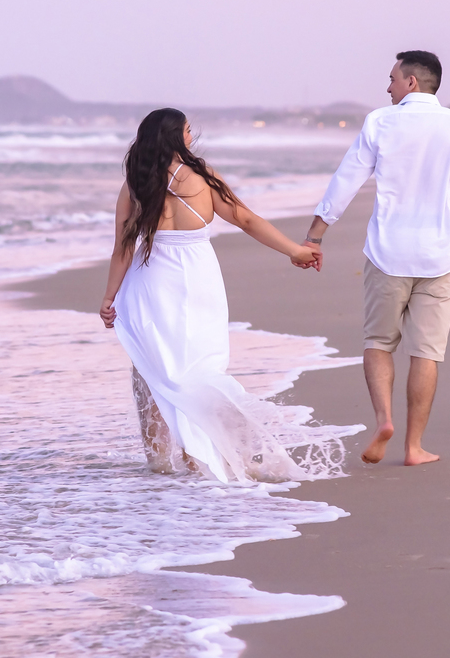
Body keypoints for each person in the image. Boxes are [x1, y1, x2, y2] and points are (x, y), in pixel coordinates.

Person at [100, 108, 355, 483]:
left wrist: (109, 298)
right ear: (176, 137)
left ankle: (159, 462)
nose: (191, 135)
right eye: (187, 130)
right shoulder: (202, 177)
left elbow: (122, 248)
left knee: (152, 368)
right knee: (199, 367)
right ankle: (199, 458)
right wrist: (294, 251)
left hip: (149, 282)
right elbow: (245, 219)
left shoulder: (136, 183)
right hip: (198, 280)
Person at [302, 50, 450, 466]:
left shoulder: (380, 122)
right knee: (426, 353)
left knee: (378, 343)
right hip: (440, 256)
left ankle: (384, 420)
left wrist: (315, 235)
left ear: (412, 82)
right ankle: (414, 447)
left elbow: (346, 180)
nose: (387, 87)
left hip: (387, 252)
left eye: (392, 78)